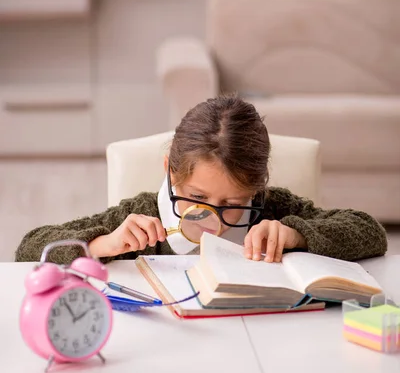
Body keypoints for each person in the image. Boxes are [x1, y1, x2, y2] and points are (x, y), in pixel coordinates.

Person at [15, 95, 387, 266]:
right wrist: (102, 244)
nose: (215, 223)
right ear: (170, 172)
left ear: (257, 189)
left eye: (233, 204)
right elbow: (31, 247)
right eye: (196, 197)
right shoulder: (143, 216)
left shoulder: (271, 209)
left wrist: (297, 234)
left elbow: (369, 231)